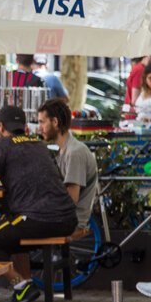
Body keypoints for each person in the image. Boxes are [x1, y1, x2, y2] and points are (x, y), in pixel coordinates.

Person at [0, 105, 77, 302]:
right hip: (67, 219)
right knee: (9, 225)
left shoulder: (4, 146)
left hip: (39, 219)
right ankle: (24, 283)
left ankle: (21, 286)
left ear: (1, 127)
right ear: (25, 127)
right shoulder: (39, 145)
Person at [38, 99, 98, 238]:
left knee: (18, 230)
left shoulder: (74, 152)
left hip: (70, 222)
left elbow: (71, 200)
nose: (39, 128)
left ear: (55, 122)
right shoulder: (65, 150)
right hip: (62, 218)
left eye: (42, 122)